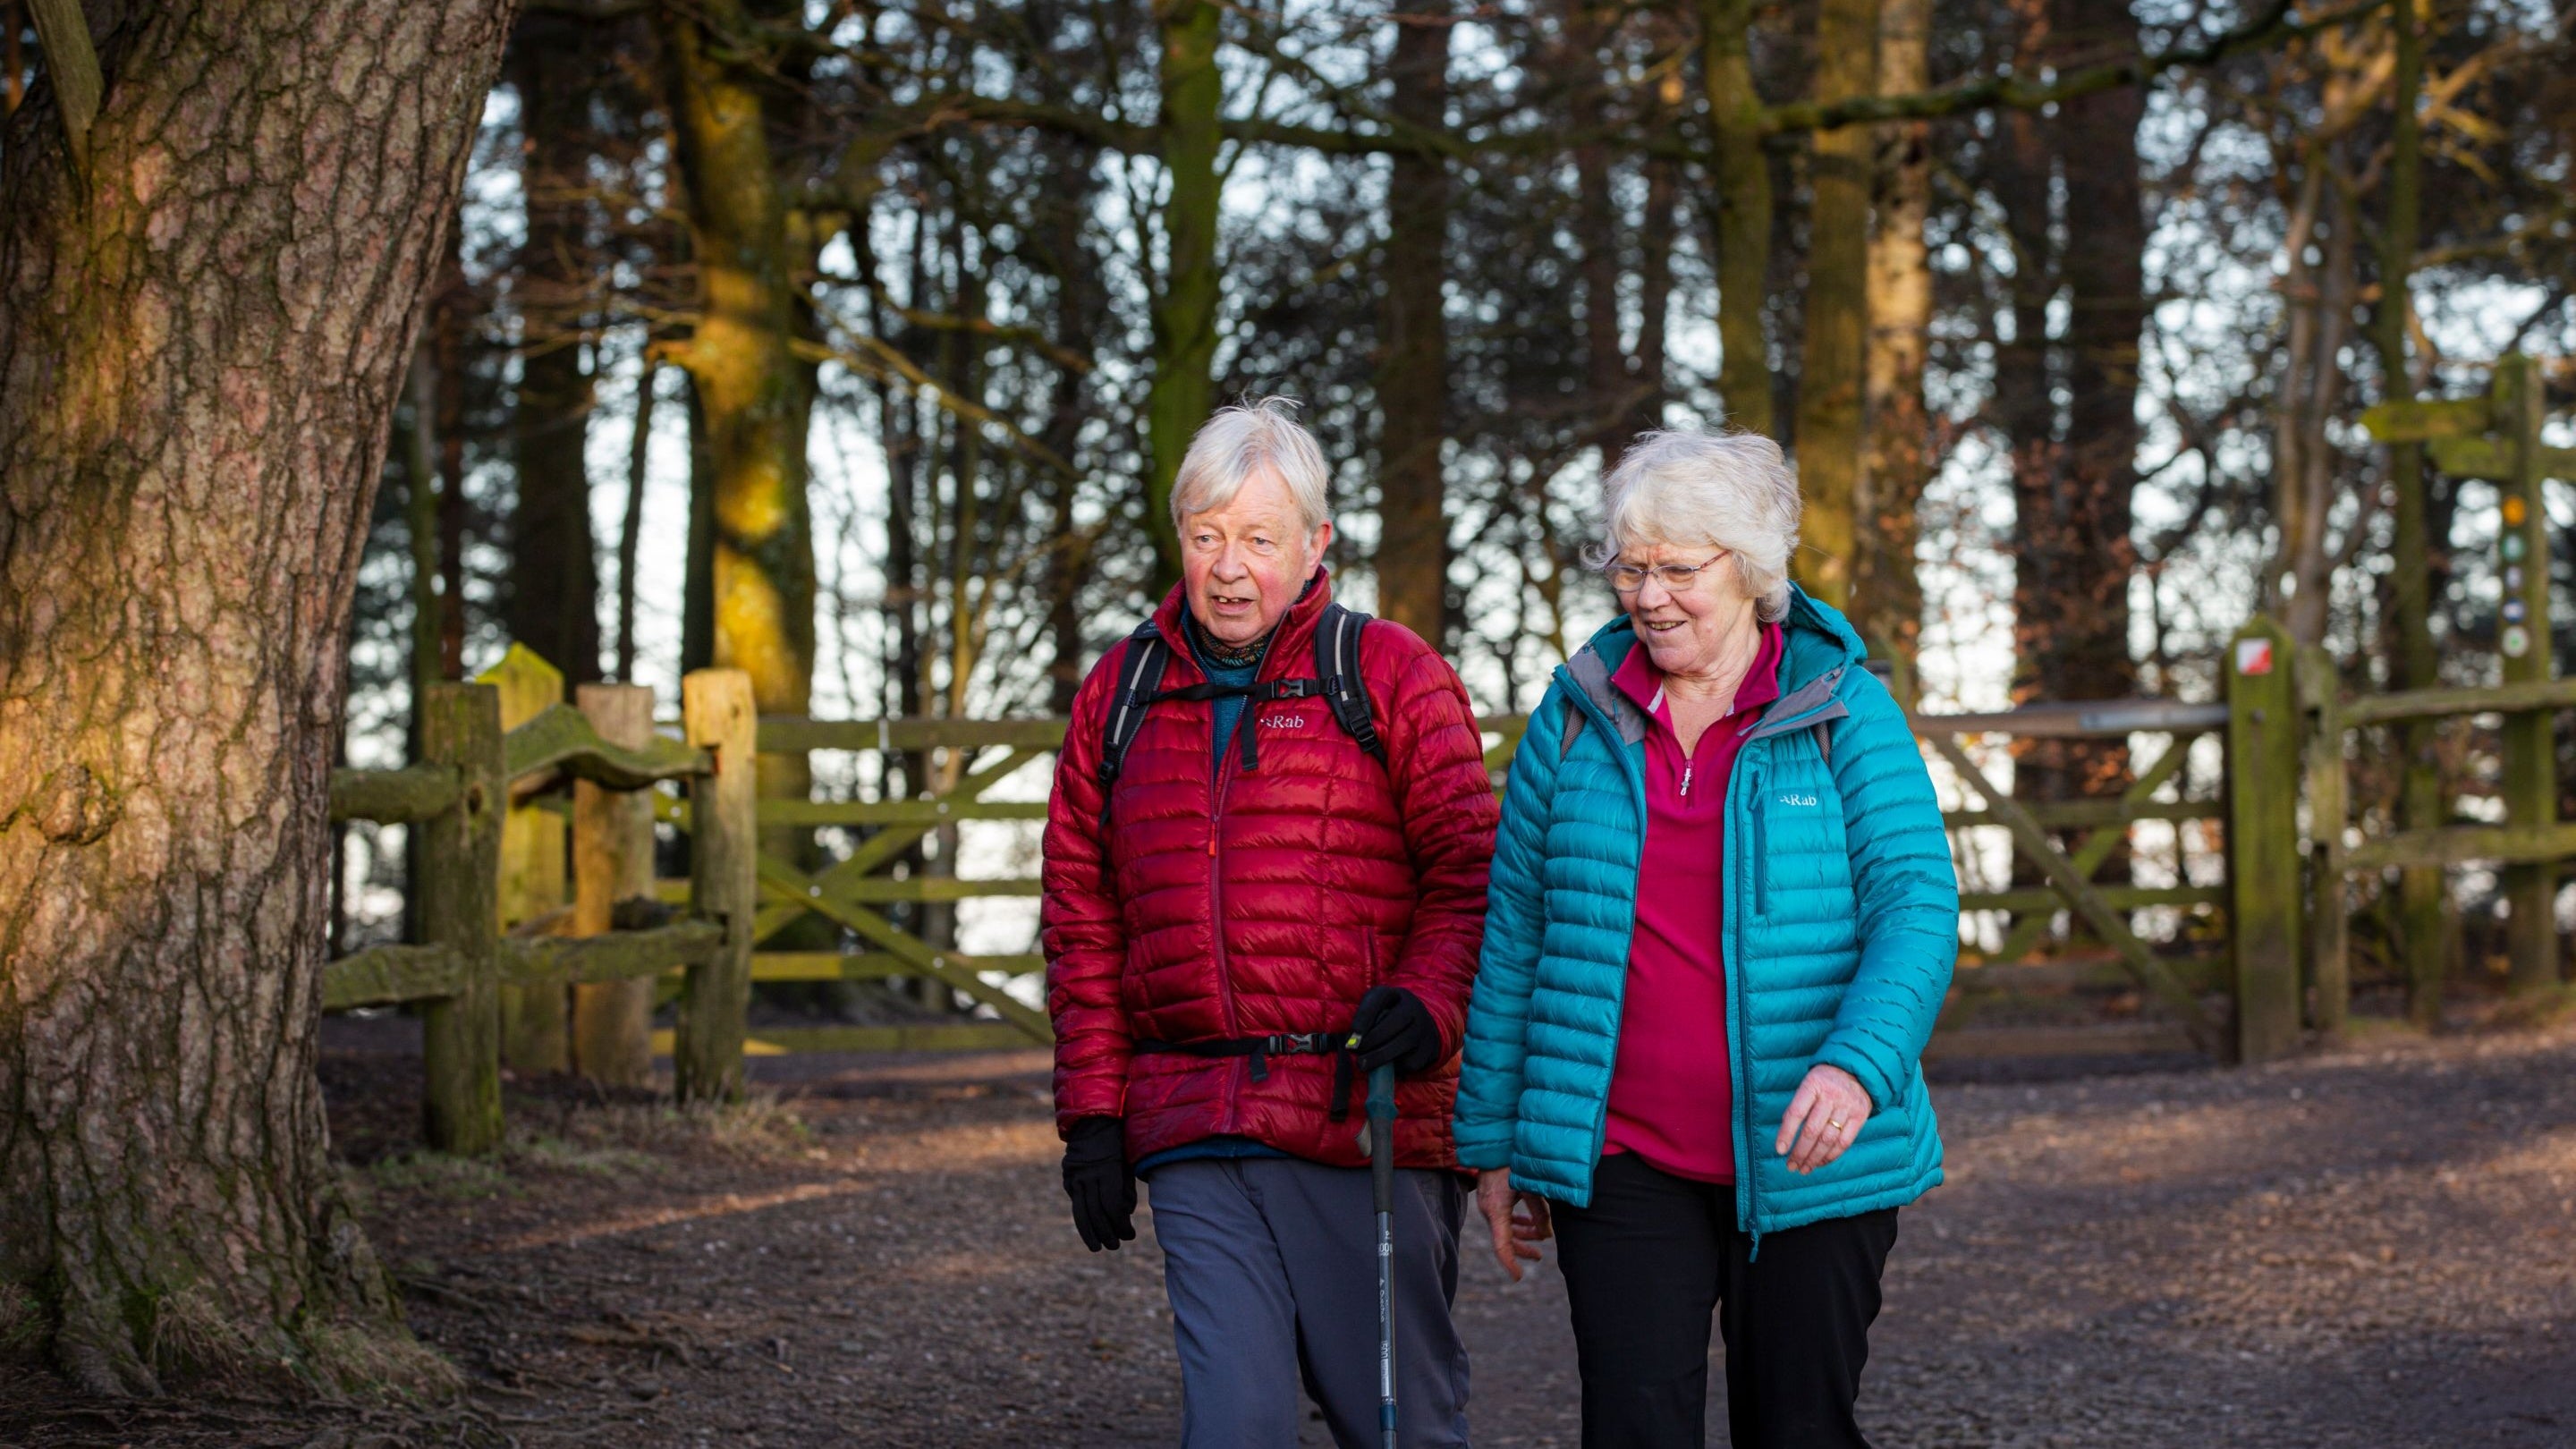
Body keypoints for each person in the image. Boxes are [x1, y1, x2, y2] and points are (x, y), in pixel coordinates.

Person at [1452, 428, 1957, 1449]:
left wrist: (1858, 1068)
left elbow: (1916, 906)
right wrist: (1492, 1143)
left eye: (1679, 568)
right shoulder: (1573, 717)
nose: (1649, 595)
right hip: (1625, 1154)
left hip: (1813, 1156)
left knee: (1799, 1428)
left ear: (1753, 568)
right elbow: (1516, 930)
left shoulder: (1844, 711)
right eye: (1630, 567)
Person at [1043, 397, 1500, 1448]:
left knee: (1398, 1426)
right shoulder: (1119, 692)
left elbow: (1471, 870)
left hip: (1360, 1116)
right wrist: (1095, 1117)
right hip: (1192, 1117)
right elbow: (1080, 913)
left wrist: (1433, 1006)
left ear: (1314, 545)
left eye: (1258, 537)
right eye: (1207, 537)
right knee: (1236, 1426)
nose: (1230, 567)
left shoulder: (1387, 673)